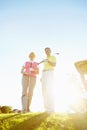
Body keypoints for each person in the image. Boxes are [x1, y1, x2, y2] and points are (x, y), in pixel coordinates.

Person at [41, 47, 56, 113]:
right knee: (44, 90)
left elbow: (54, 64)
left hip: (50, 72)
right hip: (44, 73)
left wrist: (48, 60)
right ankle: (46, 108)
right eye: (46, 51)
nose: (47, 52)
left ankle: (51, 108)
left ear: (50, 51)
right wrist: (42, 76)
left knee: (49, 90)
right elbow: (44, 67)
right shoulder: (45, 59)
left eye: (48, 50)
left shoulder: (53, 57)